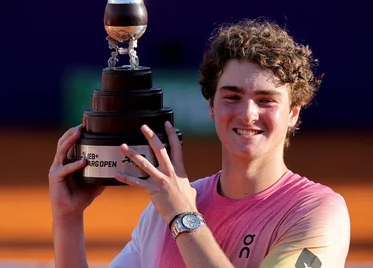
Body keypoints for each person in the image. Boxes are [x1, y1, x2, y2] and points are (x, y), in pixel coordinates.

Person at [49, 18, 350, 268]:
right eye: (232, 97)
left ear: (293, 113)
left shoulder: (317, 212)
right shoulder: (162, 211)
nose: (247, 114)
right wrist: (68, 219)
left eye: (266, 100)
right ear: (212, 107)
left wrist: (182, 215)